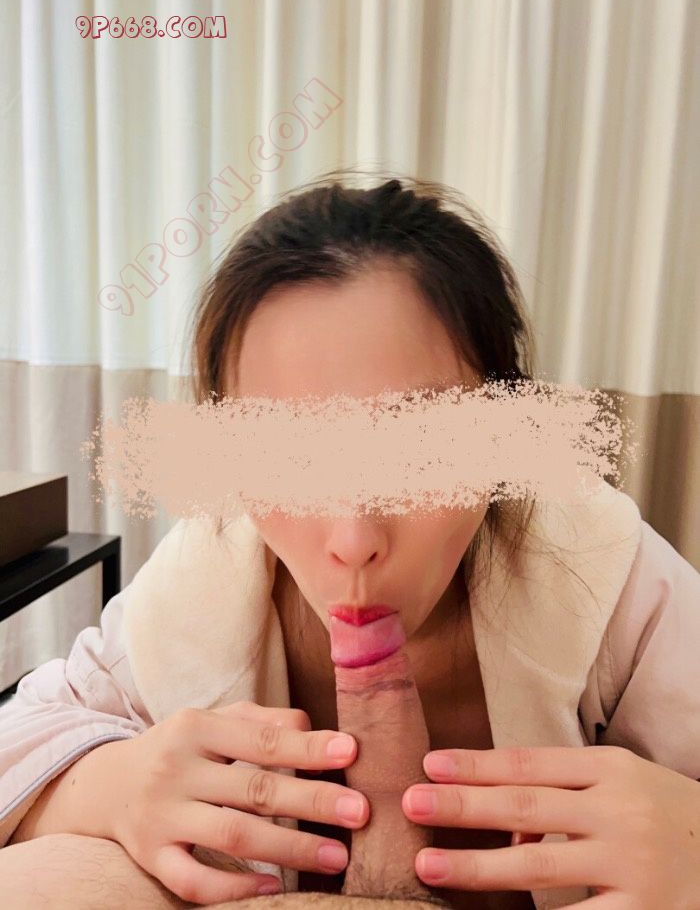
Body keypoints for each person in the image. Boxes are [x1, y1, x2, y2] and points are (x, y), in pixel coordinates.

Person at [0, 172, 698, 910]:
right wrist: (105, 783)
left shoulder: (597, 565)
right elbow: (25, 730)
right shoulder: (203, 581)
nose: (355, 537)